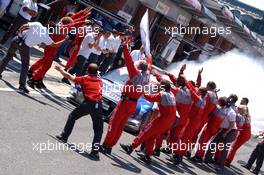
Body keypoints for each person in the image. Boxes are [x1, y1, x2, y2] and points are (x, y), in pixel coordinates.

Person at [100, 38, 152, 155]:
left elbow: (128, 61)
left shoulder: (135, 74)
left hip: (125, 102)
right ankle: (110, 145)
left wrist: (124, 47)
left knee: (114, 124)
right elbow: (149, 65)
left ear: (138, 68)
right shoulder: (147, 76)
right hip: (133, 104)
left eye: (137, 64)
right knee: (120, 126)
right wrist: (149, 56)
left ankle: (105, 145)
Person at [27, 8, 92, 89]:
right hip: (51, 48)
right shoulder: (62, 28)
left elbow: (74, 21)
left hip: (53, 48)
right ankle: (33, 78)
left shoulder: (63, 26)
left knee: (45, 64)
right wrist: (84, 20)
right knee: (46, 65)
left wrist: (84, 13)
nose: (71, 26)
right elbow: (74, 23)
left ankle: (36, 77)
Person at [0, 22, 67, 93]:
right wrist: (65, 39)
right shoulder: (46, 36)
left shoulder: (38, 24)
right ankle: (22, 85)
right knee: (25, 65)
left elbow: (24, 25)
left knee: (8, 56)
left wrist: (19, 33)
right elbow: (55, 45)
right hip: (24, 46)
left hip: (17, 39)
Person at [120, 79, 177, 163]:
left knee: (145, 132)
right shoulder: (171, 94)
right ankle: (147, 155)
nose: (158, 86)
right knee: (152, 136)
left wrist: (143, 91)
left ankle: (131, 147)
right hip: (169, 122)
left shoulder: (163, 94)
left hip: (162, 120)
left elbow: (150, 98)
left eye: (160, 85)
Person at [55, 63, 104, 160]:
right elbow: (95, 75)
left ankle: (64, 136)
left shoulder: (84, 79)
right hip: (98, 106)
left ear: (87, 71)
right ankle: (94, 152)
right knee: (98, 130)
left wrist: (60, 70)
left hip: (88, 104)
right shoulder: (100, 80)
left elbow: (70, 77)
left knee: (73, 116)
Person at [204, 94, 238, 173]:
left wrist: (226, 133)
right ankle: (207, 159)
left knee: (224, 149)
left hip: (230, 131)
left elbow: (232, 124)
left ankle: (220, 166)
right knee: (213, 143)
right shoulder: (224, 108)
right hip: (223, 129)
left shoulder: (231, 112)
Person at [193, 97, 228, 162]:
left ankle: (198, 156)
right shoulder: (225, 111)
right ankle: (200, 155)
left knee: (202, 141)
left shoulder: (217, 108)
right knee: (205, 142)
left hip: (210, 127)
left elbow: (210, 112)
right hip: (215, 129)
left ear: (220, 102)